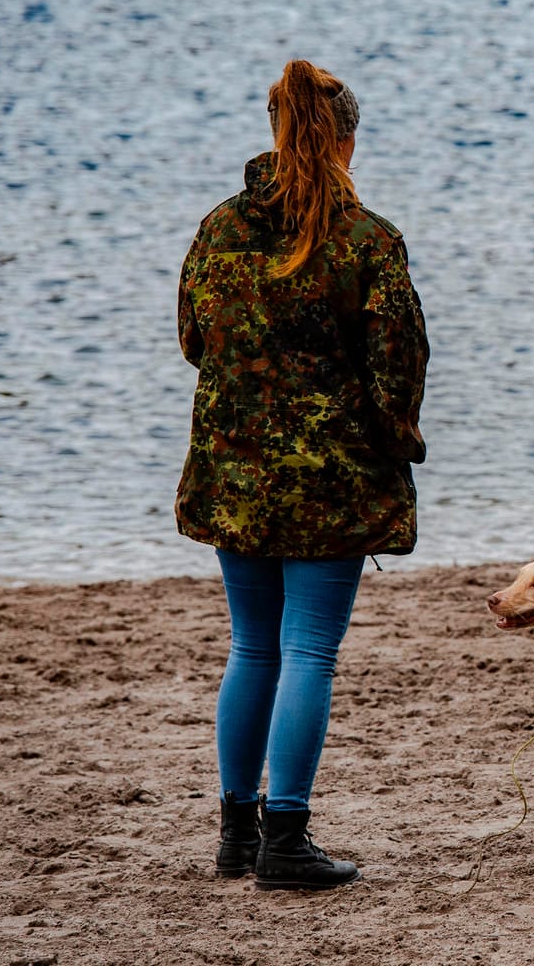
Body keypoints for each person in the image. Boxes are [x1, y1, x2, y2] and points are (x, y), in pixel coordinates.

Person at [176, 59, 429, 890]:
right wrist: (397, 447)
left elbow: (192, 339)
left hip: (235, 472)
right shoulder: (370, 242)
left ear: (275, 132)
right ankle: (285, 839)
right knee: (308, 651)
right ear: (347, 142)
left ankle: (235, 836)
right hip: (332, 481)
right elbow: (399, 369)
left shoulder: (218, 228)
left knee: (252, 646)